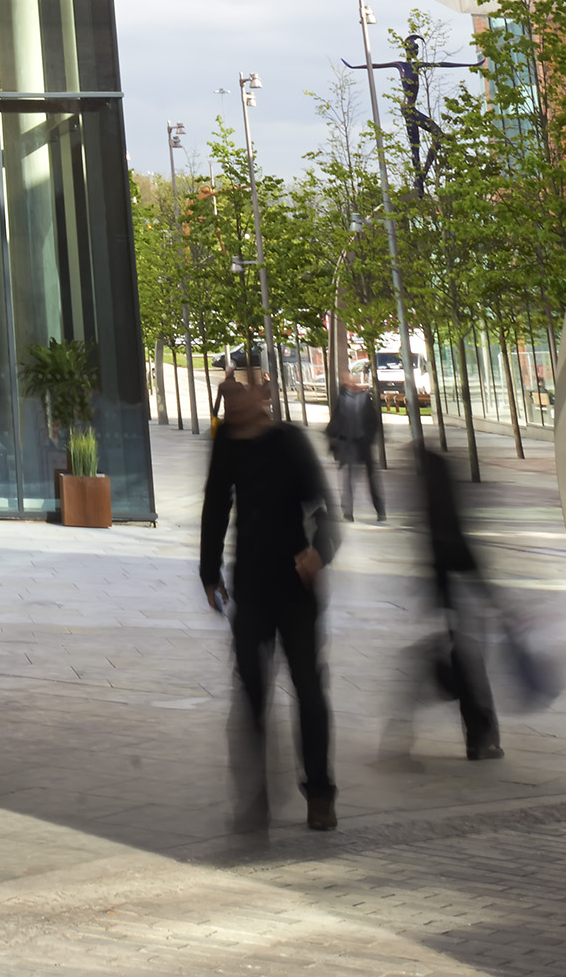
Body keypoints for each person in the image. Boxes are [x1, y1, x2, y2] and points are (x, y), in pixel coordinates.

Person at [200, 358, 342, 835]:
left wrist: (319, 554)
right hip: (251, 584)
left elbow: (324, 508)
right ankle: (255, 798)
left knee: (308, 689)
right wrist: (209, 571)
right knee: (251, 691)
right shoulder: (226, 442)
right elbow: (216, 503)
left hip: (296, 584)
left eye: (244, 391)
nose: (235, 401)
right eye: (230, 394)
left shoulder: (289, 441)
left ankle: (319, 793)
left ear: (262, 396)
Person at [388, 439, 503, 764]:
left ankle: (477, 734)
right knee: (468, 666)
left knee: (463, 662)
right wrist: (484, 589)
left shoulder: (431, 502)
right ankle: (480, 736)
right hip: (460, 590)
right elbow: (458, 544)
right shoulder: (443, 504)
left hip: (451, 591)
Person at [327, 369, 387, 522]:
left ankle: (380, 510)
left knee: (371, 479)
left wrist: (370, 437)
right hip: (348, 443)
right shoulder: (342, 399)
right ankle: (348, 512)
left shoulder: (365, 398)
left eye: (351, 378)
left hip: (363, 443)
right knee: (348, 479)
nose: (350, 381)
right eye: (347, 379)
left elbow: (373, 421)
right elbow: (335, 420)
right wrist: (333, 437)